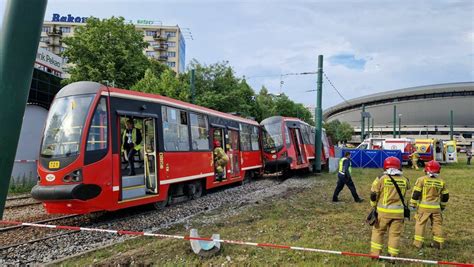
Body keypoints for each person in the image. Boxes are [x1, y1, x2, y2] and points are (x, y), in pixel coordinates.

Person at [369, 156, 410, 257]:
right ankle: (392, 256)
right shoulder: (405, 180)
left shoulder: (381, 178)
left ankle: (375, 254)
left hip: (383, 213)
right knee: (395, 235)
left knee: (378, 232)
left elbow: (373, 194)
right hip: (399, 214)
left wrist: (373, 205)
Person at [410, 160, 449, 249]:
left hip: (424, 208)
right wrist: (442, 206)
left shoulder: (421, 180)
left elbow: (416, 193)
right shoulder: (441, 182)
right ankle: (438, 244)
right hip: (436, 208)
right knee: (437, 225)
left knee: (420, 224)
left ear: (426, 170)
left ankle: (418, 244)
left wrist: (413, 204)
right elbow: (446, 196)